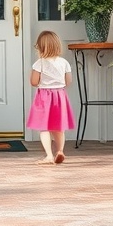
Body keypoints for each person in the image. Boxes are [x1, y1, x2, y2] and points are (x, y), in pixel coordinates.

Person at [27, 30, 75, 165]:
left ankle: (48, 155)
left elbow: (34, 82)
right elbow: (68, 81)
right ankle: (60, 151)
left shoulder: (39, 63)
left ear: (41, 47)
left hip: (44, 97)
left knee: (44, 128)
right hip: (60, 96)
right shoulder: (64, 62)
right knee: (59, 128)